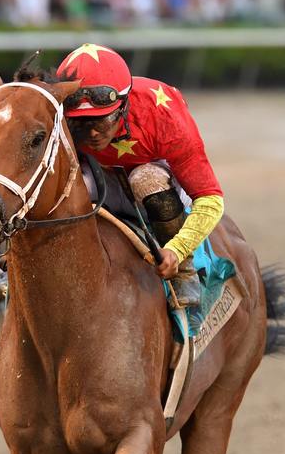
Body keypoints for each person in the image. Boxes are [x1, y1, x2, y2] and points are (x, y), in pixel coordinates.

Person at [56, 43, 225, 306]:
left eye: (100, 121)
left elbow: (211, 200)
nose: (92, 134)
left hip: (155, 180)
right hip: (97, 176)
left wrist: (177, 250)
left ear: (123, 106)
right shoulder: (56, 114)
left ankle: (184, 272)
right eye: (81, 122)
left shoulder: (162, 112)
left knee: (145, 179)